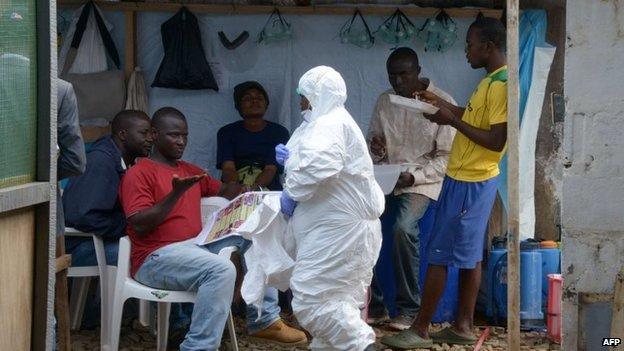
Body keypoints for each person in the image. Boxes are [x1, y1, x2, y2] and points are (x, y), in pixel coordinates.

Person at [119, 107, 304, 350]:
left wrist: (253, 193)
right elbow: (139, 223)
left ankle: (263, 319)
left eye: (184, 136)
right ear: (154, 134)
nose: (181, 141)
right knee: (221, 270)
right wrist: (176, 194)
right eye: (174, 135)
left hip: (194, 248)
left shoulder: (189, 170)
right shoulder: (138, 173)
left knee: (256, 231)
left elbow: (224, 190)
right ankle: (198, 347)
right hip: (154, 259)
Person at [381, 16, 508, 349]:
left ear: (488, 46)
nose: (465, 50)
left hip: (470, 180)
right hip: (466, 178)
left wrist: (450, 118)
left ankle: (419, 328)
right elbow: (473, 117)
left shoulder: (503, 85)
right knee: (468, 256)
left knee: (439, 253)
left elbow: (496, 140)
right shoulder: (489, 82)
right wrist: (444, 107)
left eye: (469, 43)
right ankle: (463, 326)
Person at [278, 66, 385, 351]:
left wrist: (291, 192)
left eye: (305, 95)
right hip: (336, 229)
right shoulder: (323, 122)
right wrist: (291, 159)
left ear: (318, 95)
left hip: (339, 231)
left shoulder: (330, 124)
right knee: (335, 302)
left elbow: (319, 166)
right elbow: (310, 157)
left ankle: (363, 346)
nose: (301, 102)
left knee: (312, 300)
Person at [366, 47, 457, 330]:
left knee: (403, 228)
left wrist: (415, 178)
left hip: (422, 180)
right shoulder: (385, 100)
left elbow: (448, 158)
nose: (397, 82)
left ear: (418, 71)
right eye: (392, 76)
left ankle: (408, 309)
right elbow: (374, 144)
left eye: (403, 74)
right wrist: (377, 149)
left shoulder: (441, 102)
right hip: (389, 176)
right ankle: (376, 305)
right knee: (359, 224)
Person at [63, 110, 153, 267]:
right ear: (123, 135)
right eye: (144, 133)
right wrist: (128, 226)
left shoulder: (122, 162)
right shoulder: (101, 162)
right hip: (80, 246)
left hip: (96, 240)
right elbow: (84, 217)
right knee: (148, 256)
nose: (150, 139)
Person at [217, 81, 289, 190]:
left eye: (259, 98)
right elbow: (228, 168)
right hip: (234, 187)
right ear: (238, 105)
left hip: (268, 189)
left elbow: (270, 168)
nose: (255, 101)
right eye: (248, 99)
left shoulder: (279, 132)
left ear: (266, 104)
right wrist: (239, 189)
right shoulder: (226, 132)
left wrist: (254, 190)